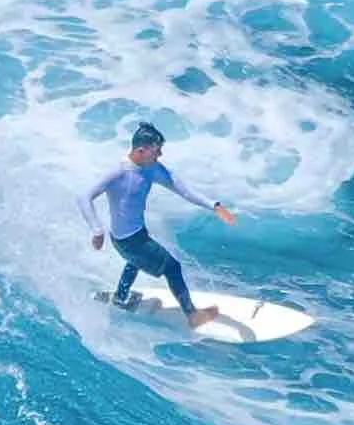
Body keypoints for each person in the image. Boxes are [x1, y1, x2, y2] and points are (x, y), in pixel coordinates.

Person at [81, 121, 238, 325]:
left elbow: (183, 190)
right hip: (127, 240)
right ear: (141, 150)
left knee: (136, 260)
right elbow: (84, 197)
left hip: (137, 234)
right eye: (157, 151)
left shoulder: (151, 168)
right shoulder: (118, 173)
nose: (160, 155)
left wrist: (214, 205)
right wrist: (96, 230)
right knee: (172, 267)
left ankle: (120, 297)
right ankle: (192, 315)